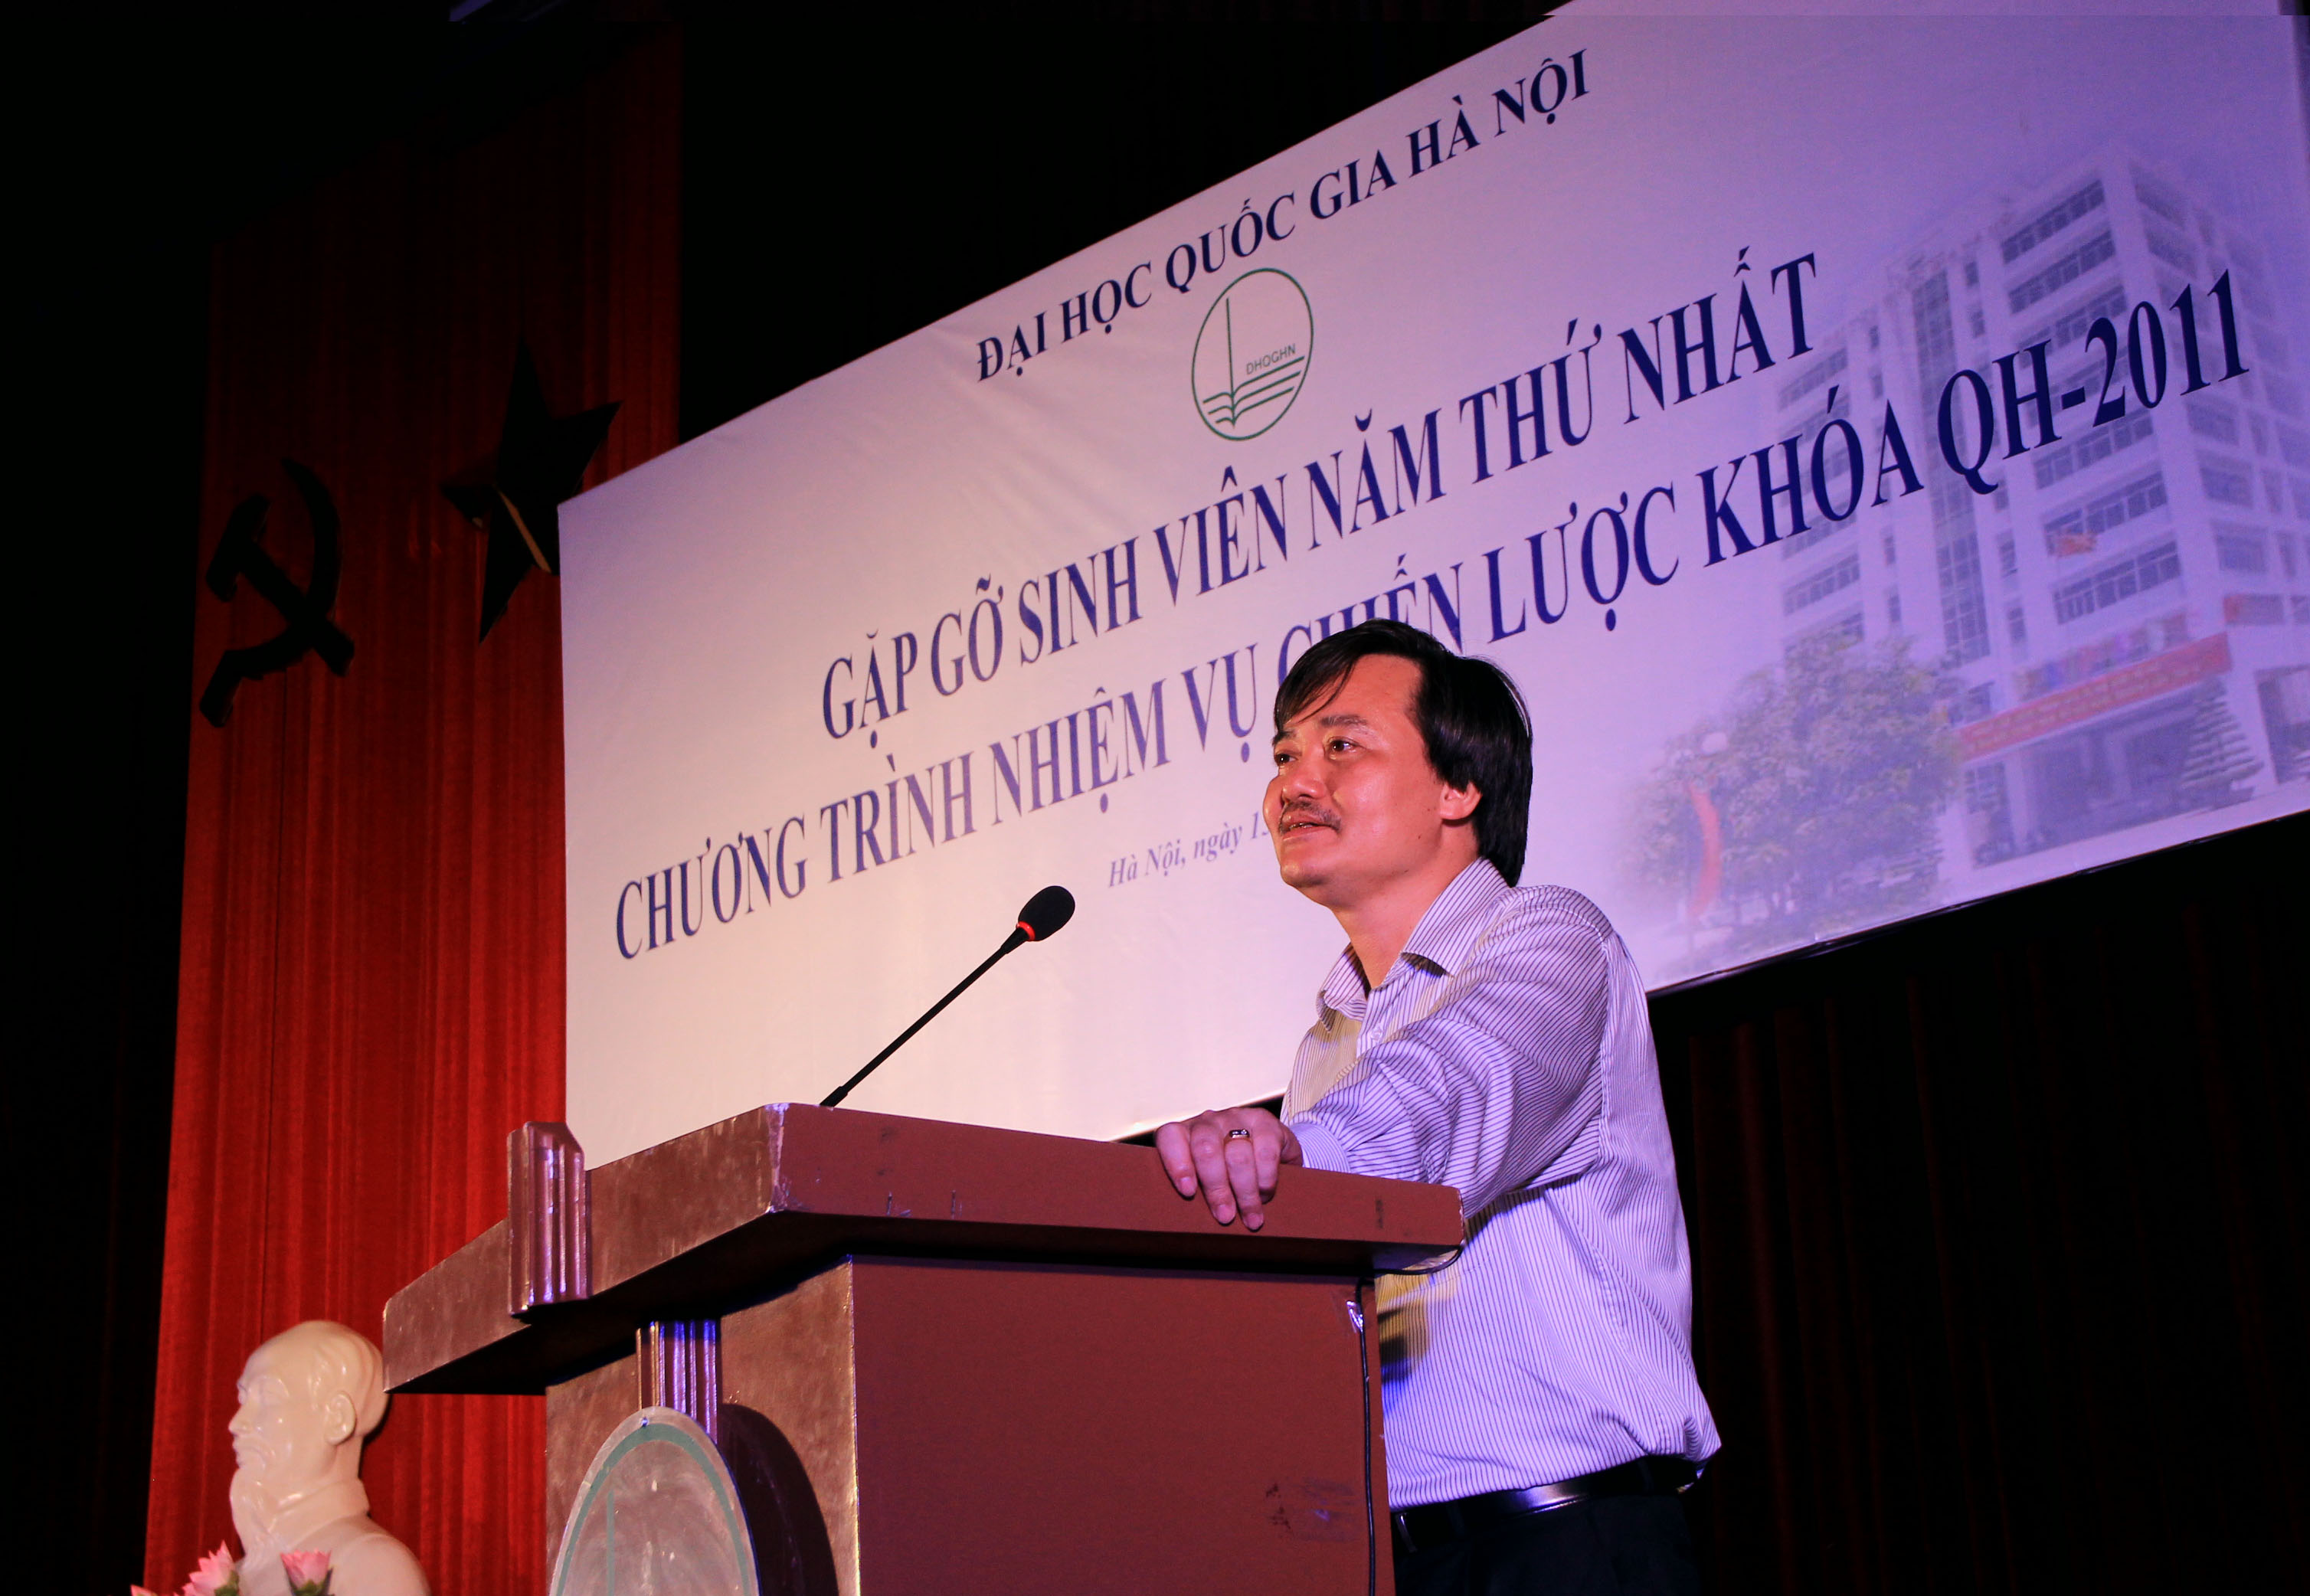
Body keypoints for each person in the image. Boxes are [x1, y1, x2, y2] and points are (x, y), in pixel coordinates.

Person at [1156, 620, 1718, 1595]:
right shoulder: (1326, 1042)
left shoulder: (1552, 939)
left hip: (1564, 1545)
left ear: (1460, 787)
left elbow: (1457, 1089)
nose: (1293, 782)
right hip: (1388, 1557)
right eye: (1283, 755)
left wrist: (1285, 1160)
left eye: (1341, 744)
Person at [227, 1320, 430, 1596]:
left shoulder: (373, 1566)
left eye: (269, 1397)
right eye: (243, 1399)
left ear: (337, 1419)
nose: (237, 1423)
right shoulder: (235, 1576)